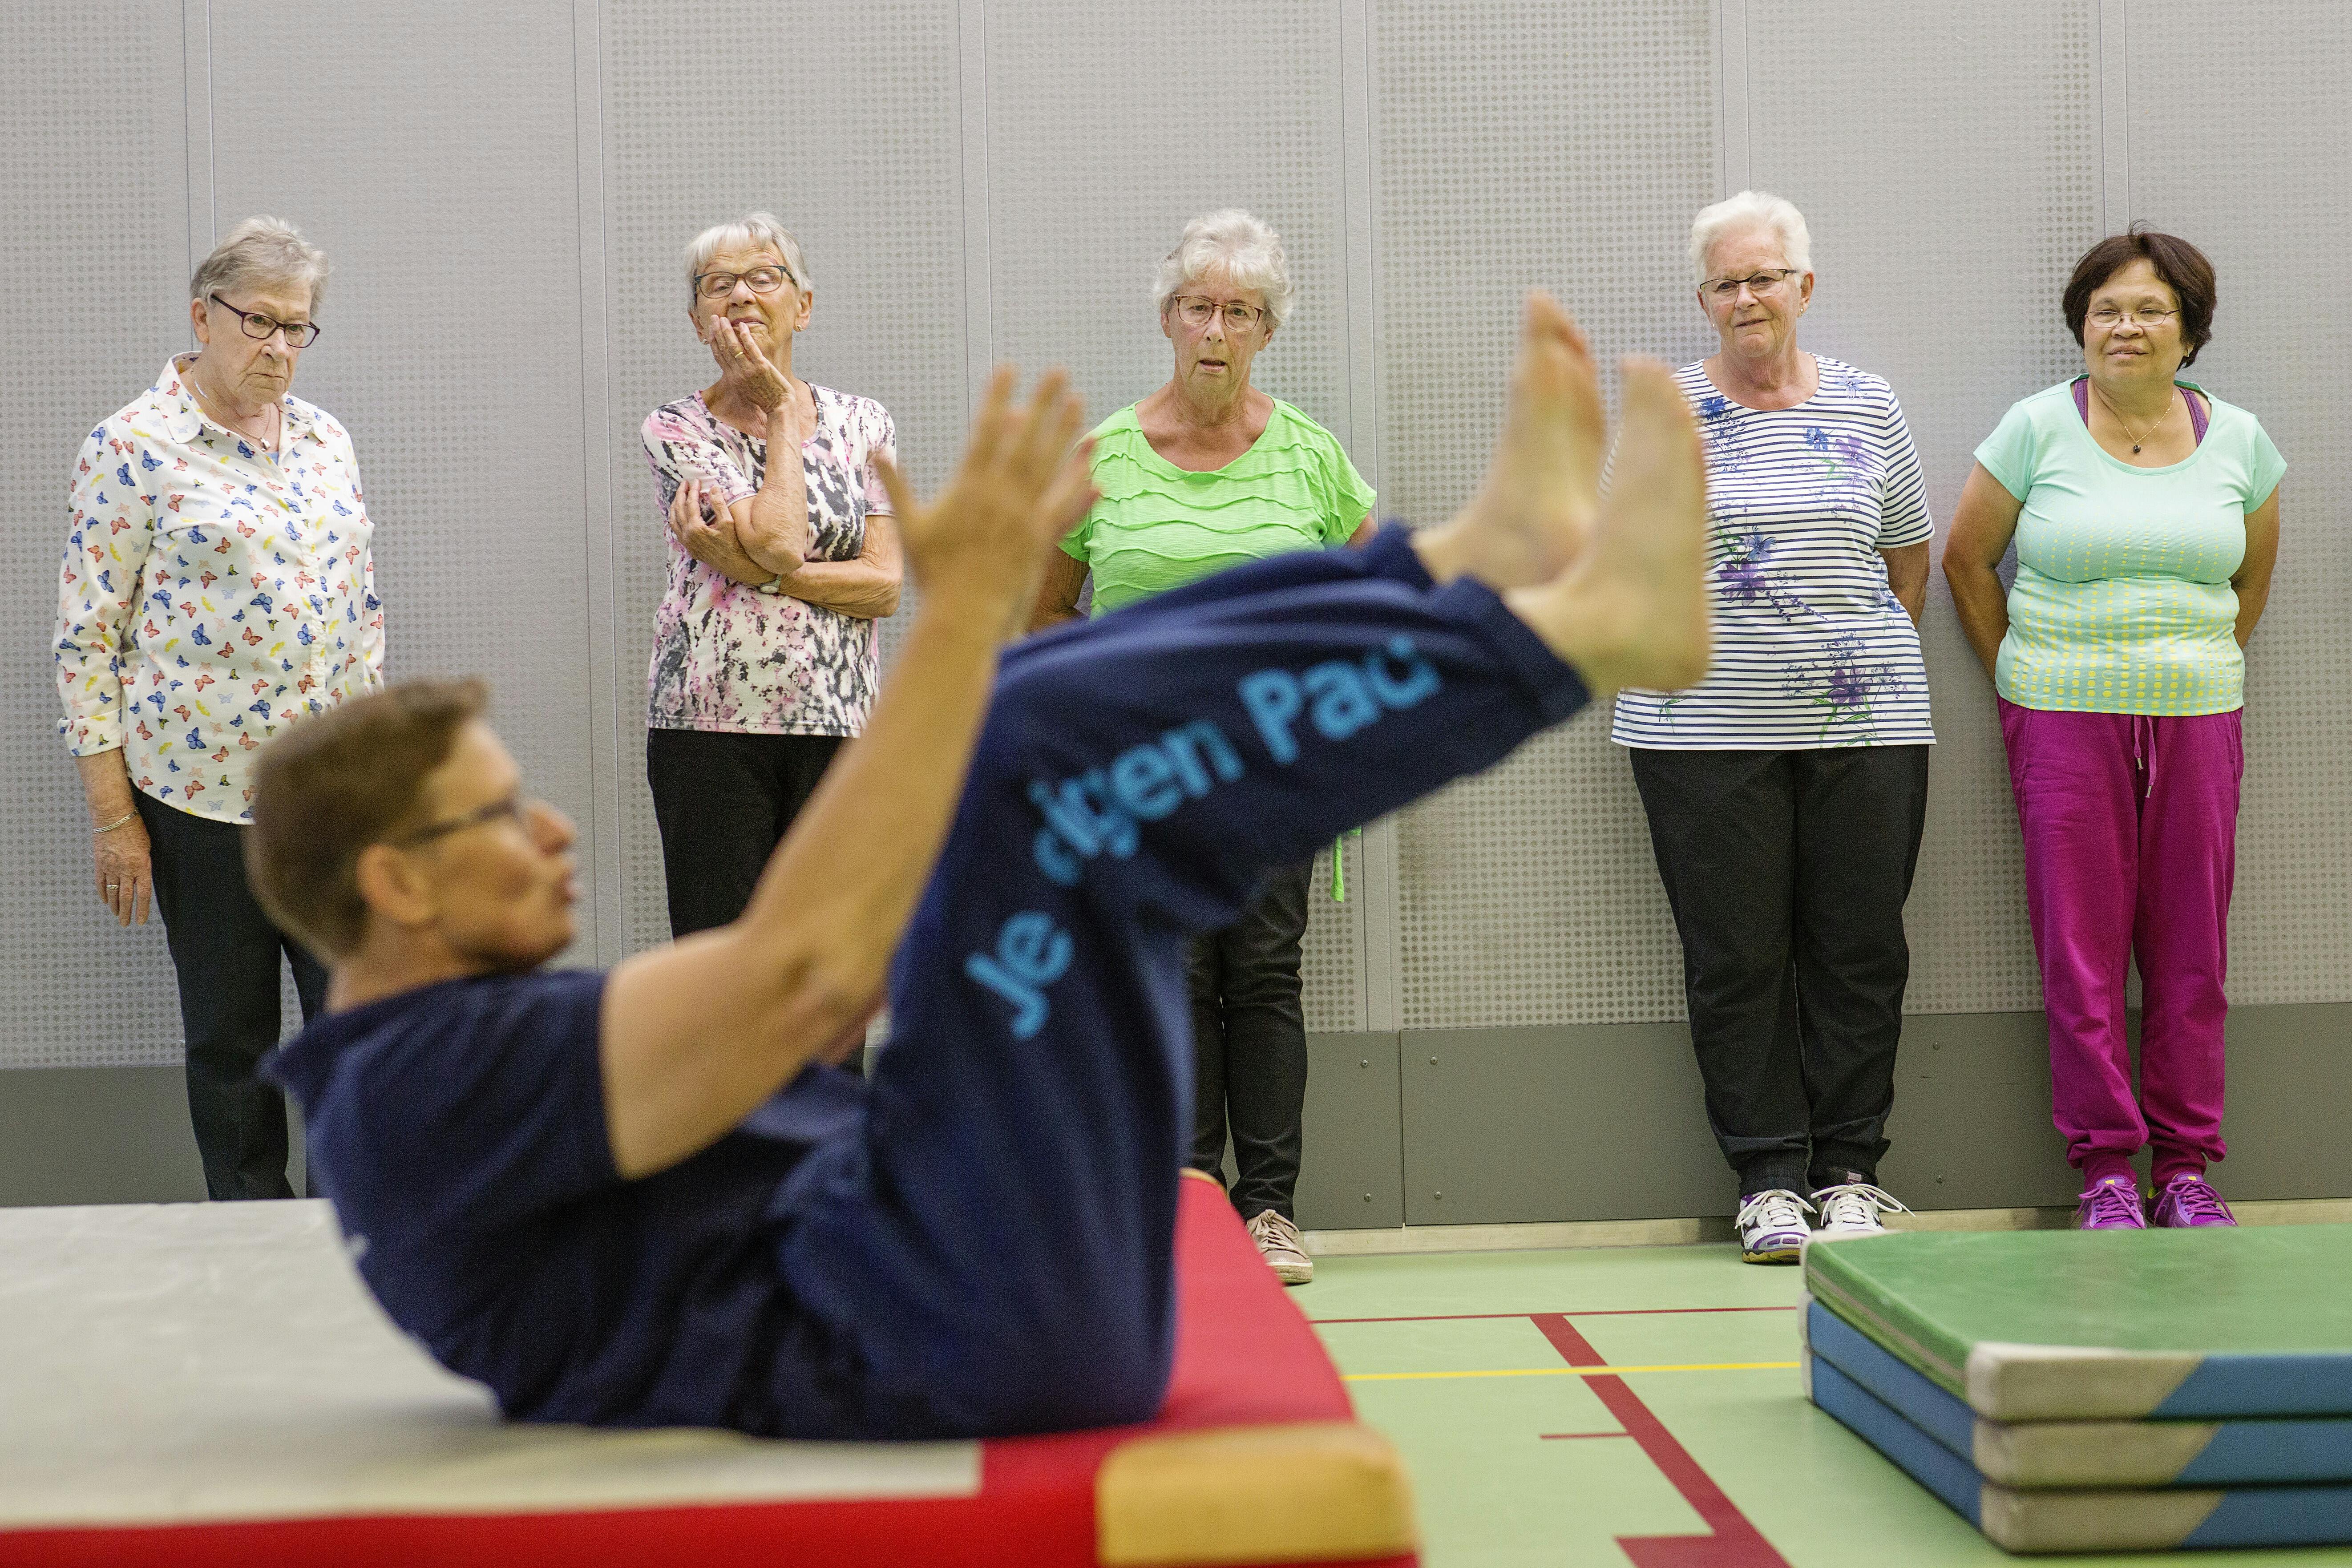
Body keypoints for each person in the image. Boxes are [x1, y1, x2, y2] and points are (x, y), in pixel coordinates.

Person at [254, 297, 1708, 1440]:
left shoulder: (434, 1065)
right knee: (1015, 729)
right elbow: (800, 969)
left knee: (1041, 713)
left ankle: (1468, 566)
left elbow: (826, 987)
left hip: (942, 1241)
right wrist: (950, 624)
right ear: (397, 884)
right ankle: (1559, 637)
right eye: (504, 816)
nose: (554, 829)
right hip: (948, 1304)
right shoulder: (419, 1088)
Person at [1031, 210, 1374, 1285]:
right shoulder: (1104, 458)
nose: (1214, 328)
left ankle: (1270, 1208)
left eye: (1239, 311)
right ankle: (1188, 1204)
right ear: (1168, 321)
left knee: (1264, 975)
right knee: (1168, 979)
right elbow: (1043, 613)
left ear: (1266, 331)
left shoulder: (1311, 455)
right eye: (1197, 307)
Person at [1612, 192, 1932, 1264]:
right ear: (1703, 300)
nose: (1746, 298)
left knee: (1859, 948)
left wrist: (1835, 660)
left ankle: (1850, 1172)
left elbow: (1906, 561)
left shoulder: (1869, 402)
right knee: (1736, 958)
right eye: (1725, 283)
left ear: (1805, 286)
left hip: (1868, 724)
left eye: (1764, 277)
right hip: (1698, 730)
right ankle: (1768, 1178)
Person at [1944, 229, 2283, 1232]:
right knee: (2081, 952)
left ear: (2190, 331)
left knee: (2191, 953)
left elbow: (2249, 579)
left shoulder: (2243, 442)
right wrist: (2021, 678)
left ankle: (2184, 1167)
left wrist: (2193, 664)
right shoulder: (2035, 429)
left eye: (2148, 309)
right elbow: (1968, 562)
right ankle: (2102, 1168)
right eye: (2105, 310)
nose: (2124, 326)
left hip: (2198, 720)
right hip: (2061, 721)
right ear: (2081, 326)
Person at [54, 216, 379, 1201]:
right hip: (200, 801)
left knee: (356, 1035)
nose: (279, 347)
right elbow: (87, 642)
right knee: (231, 1046)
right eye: (260, 323)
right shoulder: (131, 448)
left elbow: (361, 618)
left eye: (299, 328)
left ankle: (357, 1246)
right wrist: (116, 820)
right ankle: (253, 1247)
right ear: (204, 316)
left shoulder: (326, 441)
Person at [642, 212, 900, 937]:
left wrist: (761, 576)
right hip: (709, 729)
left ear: (803, 306)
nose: (741, 296)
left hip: (838, 721)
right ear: (698, 320)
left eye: (763, 277)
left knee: (829, 963)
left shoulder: (863, 423)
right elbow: (786, 541)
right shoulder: (675, 429)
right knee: (721, 963)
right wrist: (782, 411)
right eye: (717, 285)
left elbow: (883, 585)